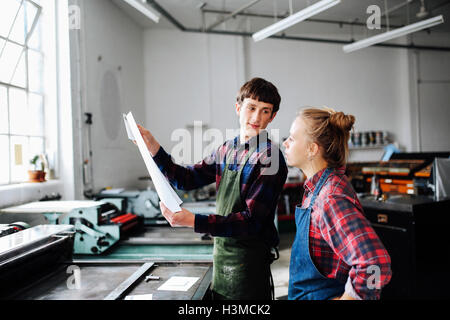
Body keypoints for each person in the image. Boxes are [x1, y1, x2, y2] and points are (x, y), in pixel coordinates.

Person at [137, 78, 288, 300]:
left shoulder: (269, 158)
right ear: (238, 108)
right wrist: (153, 148)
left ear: (272, 116)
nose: (257, 118)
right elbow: (187, 179)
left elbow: (251, 222)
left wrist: (193, 221)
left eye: (265, 111)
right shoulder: (227, 149)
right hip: (222, 257)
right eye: (251, 108)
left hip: (250, 264)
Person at [283, 107, 392, 300]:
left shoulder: (329, 197)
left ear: (312, 149)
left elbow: (375, 263)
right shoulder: (316, 189)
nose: (285, 143)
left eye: (292, 138)